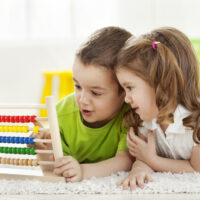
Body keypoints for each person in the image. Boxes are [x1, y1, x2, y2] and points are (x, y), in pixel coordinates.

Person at [36, 26, 134, 182]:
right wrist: (44, 148)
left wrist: (82, 170)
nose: (82, 100)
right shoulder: (61, 114)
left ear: (124, 91)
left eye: (95, 93)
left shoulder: (131, 115)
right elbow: (54, 166)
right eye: (78, 86)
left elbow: (125, 161)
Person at [114, 27, 200, 190]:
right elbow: (142, 158)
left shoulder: (195, 121)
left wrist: (153, 160)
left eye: (130, 87)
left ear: (161, 83)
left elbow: (195, 169)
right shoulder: (145, 120)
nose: (126, 98)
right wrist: (138, 169)